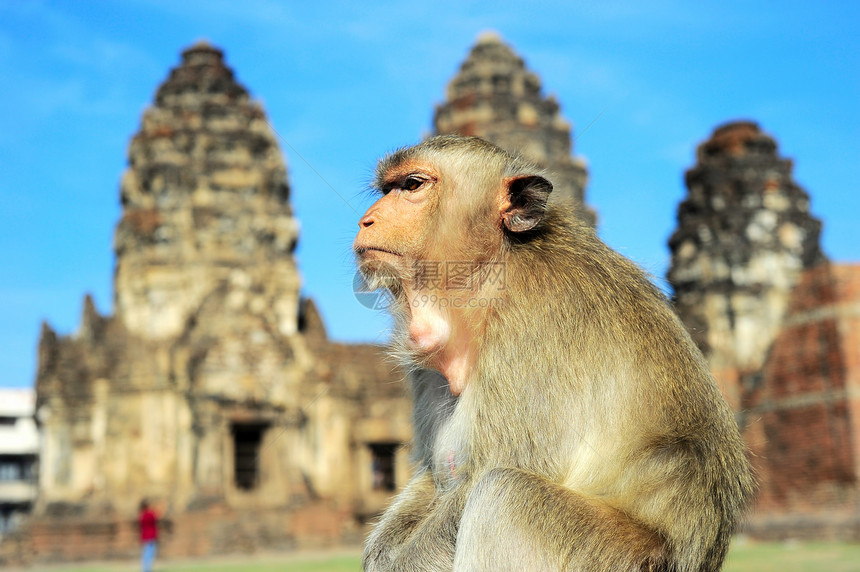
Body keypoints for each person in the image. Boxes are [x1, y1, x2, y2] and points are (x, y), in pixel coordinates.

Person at [138, 499, 158, 572]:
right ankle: (147, 569)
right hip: (150, 536)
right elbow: (156, 517)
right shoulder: (149, 514)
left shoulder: (142, 515)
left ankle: (145, 569)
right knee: (149, 553)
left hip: (145, 536)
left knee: (146, 553)